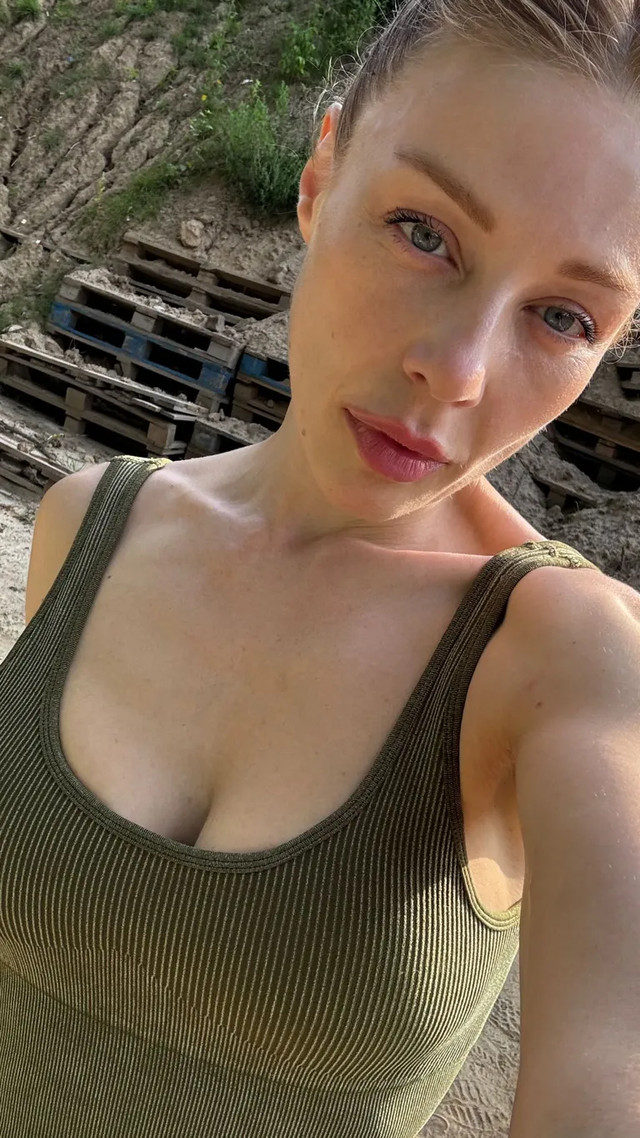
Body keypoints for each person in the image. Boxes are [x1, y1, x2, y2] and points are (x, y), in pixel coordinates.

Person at [1, 1, 640, 1135]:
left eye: (562, 316)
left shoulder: (566, 659)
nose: (456, 371)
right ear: (318, 179)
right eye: (424, 232)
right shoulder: (88, 523)